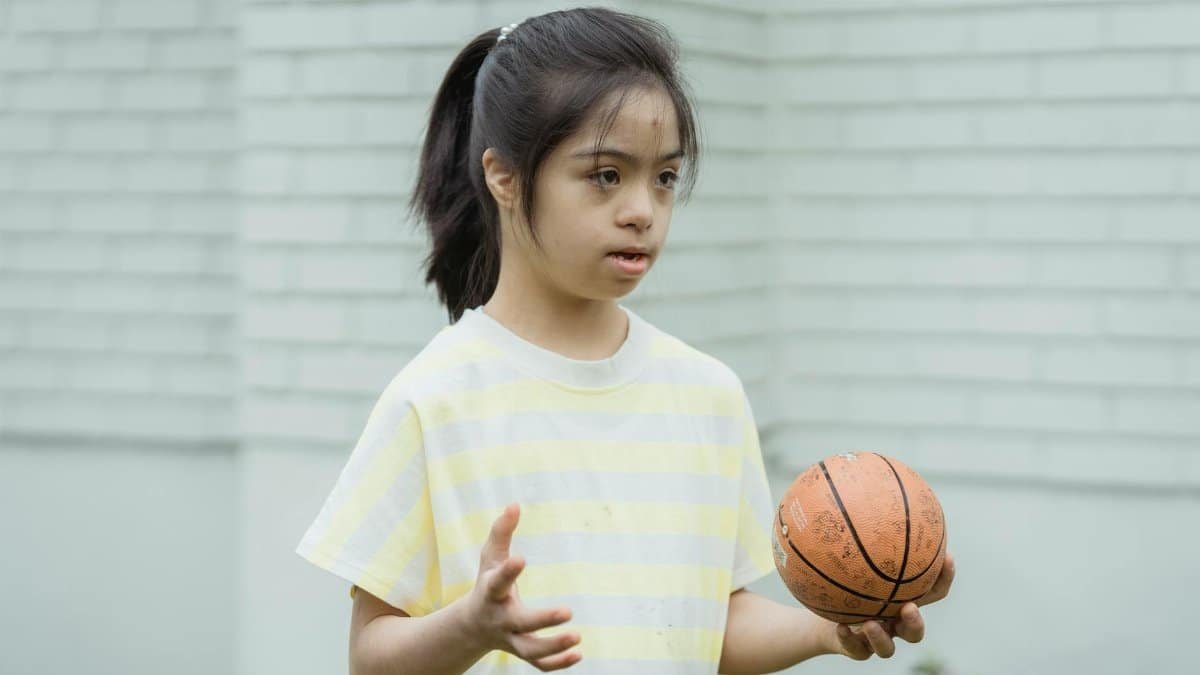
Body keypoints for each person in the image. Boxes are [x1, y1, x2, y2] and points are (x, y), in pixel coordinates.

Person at [294, 7, 954, 675]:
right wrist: (471, 626)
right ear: (505, 176)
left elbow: (712, 622)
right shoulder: (433, 399)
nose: (643, 208)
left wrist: (828, 630)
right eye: (606, 174)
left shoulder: (709, 393)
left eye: (664, 177)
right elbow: (371, 656)